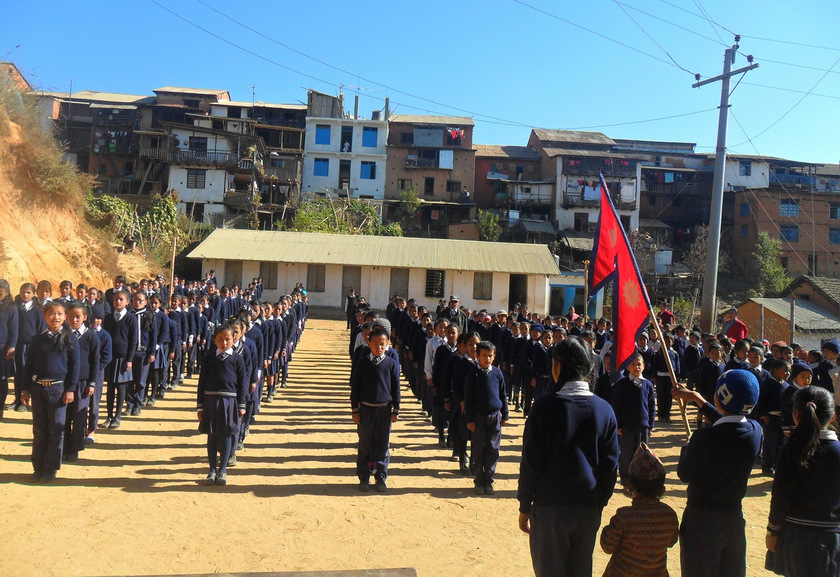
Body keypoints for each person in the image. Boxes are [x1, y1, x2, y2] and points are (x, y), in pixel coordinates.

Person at [518, 336, 619, 577]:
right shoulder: (604, 410)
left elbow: (531, 463)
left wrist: (524, 505)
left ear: (558, 366)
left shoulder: (543, 407)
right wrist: (598, 503)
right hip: (587, 508)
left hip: (550, 507)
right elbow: (610, 466)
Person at [673, 369, 762, 577]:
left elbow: (684, 474)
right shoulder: (755, 431)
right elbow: (727, 423)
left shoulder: (704, 438)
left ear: (720, 396)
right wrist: (696, 399)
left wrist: (688, 447)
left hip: (701, 520)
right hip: (733, 518)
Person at [765, 386, 840, 577]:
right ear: (832, 417)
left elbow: (781, 495)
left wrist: (773, 530)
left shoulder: (790, 450)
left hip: (795, 538)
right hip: (832, 539)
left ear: (796, 414)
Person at [21, 302, 80, 483]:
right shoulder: (37, 339)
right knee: (39, 429)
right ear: (45, 316)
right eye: (51, 314)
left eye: (59, 314)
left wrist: (70, 389)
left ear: (65, 316)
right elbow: (28, 366)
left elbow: (74, 367)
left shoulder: (70, 338)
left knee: (56, 430)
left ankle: (50, 469)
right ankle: (37, 467)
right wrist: (25, 389)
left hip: (58, 390)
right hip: (38, 389)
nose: (55, 317)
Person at [600, 443, 679, 577]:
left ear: (629, 486)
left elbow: (607, 545)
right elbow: (672, 541)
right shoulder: (669, 515)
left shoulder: (624, 516)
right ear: (662, 489)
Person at [350, 326, 400, 492]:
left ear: (387, 344)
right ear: (368, 343)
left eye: (382, 344)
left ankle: (380, 477)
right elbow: (355, 386)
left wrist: (396, 410)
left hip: (384, 411)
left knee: (382, 445)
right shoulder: (363, 362)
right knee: (364, 444)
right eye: (375, 343)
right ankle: (364, 476)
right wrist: (355, 410)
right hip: (366, 410)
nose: (379, 347)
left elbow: (396, 388)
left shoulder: (391, 364)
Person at [197, 324, 248, 486]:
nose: (224, 343)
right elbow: (202, 383)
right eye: (220, 339)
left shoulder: (237, 359)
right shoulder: (209, 358)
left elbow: (243, 384)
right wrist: (200, 406)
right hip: (211, 400)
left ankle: (223, 469)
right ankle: (211, 469)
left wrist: (241, 405)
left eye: (227, 339)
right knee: (211, 435)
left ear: (234, 339)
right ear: (214, 340)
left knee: (226, 434)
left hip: (230, 401)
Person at [464, 340, 508, 495]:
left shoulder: (497, 373)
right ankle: (479, 480)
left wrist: (505, 413)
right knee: (479, 448)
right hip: (478, 418)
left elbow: (503, 394)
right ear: (477, 355)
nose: (487, 359)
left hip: (495, 417)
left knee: (493, 449)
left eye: (490, 356)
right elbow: (468, 399)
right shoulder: (473, 374)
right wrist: (469, 419)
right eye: (483, 355)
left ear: (494, 357)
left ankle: (489, 480)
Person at [611, 353, 656, 487]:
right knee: (627, 453)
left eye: (639, 364)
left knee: (642, 453)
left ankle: (639, 479)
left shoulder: (647, 384)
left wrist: (650, 426)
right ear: (628, 366)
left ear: (643, 366)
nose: (636, 367)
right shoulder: (622, 384)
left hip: (643, 426)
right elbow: (616, 405)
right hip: (627, 426)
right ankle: (626, 480)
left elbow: (652, 406)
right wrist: (618, 425)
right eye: (633, 364)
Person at [62, 303, 100, 462]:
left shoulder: (91, 336)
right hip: (64, 382)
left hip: (83, 383)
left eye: (78, 316)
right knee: (64, 416)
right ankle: (63, 447)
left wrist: (92, 383)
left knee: (79, 416)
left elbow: (95, 361)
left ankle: (75, 449)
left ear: (85, 317)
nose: (74, 319)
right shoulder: (63, 335)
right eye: (71, 316)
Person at [102, 290, 138, 429]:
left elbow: (133, 341)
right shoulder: (109, 318)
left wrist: (129, 359)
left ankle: (117, 417)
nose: (118, 302)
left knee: (121, 388)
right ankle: (109, 416)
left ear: (127, 302)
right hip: (111, 357)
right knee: (110, 387)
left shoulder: (131, 318)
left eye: (121, 299)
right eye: (116, 299)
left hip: (123, 358)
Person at [12, 283, 45, 412]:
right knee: (18, 372)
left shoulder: (38, 310)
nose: (25, 295)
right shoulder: (16, 308)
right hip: (18, 345)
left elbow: (41, 329)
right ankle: (17, 398)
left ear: (33, 294)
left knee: (29, 372)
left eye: (28, 292)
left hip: (31, 346)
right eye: (23, 292)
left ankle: (26, 401)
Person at [0, 279, 18, 419]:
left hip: (3, 347)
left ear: (6, 293)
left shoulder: (11, 308)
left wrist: (11, 346)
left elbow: (14, 330)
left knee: (2, 379)